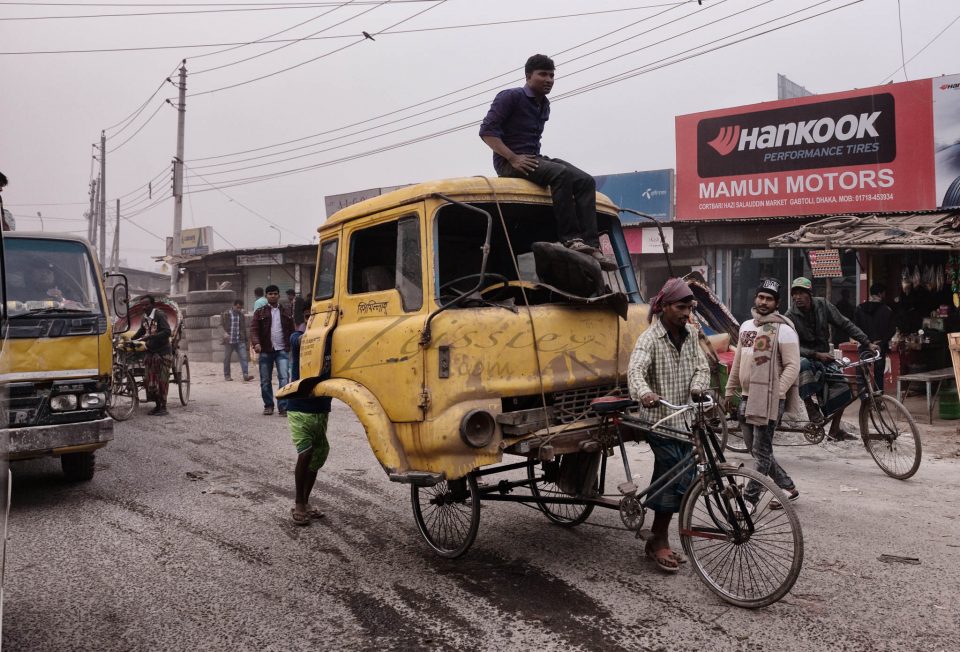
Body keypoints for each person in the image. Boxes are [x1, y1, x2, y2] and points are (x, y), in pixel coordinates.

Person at [479, 53, 616, 271]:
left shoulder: (544, 104)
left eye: (552, 75)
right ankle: (570, 239)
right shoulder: (510, 97)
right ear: (528, 76)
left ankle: (591, 245)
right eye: (543, 74)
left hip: (534, 158)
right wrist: (512, 158)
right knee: (560, 174)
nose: (549, 80)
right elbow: (487, 132)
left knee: (585, 181)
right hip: (511, 162)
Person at [628, 278, 710, 573]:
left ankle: (658, 537)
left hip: (685, 418)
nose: (686, 312)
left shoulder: (691, 334)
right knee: (674, 471)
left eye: (689, 307)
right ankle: (658, 540)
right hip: (660, 421)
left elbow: (702, 366)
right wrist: (645, 393)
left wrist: (699, 387)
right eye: (680, 306)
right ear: (664, 307)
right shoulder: (649, 338)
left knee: (681, 476)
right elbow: (635, 370)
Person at [725, 279, 801, 508]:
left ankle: (749, 500)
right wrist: (730, 389)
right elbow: (739, 360)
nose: (764, 302)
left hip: (769, 400)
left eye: (769, 299)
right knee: (757, 450)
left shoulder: (784, 330)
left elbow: (792, 366)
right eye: (761, 297)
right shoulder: (746, 326)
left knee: (761, 450)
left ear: (777, 303)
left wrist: (776, 392)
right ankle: (788, 487)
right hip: (747, 396)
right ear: (755, 298)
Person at [786, 277, 876, 439]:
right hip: (803, 356)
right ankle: (810, 407)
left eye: (801, 293)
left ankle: (834, 430)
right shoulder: (790, 316)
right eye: (795, 294)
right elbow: (789, 346)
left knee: (842, 387)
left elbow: (844, 323)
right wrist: (815, 354)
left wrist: (866, 342)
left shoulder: (822, 305)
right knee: (804, 365)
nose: (797, 297)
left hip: (824, 356)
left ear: (810, 294)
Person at [286, 304, 332, 526]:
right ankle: (299, 502)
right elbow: (300, 340)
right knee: (306, 452)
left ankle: (305, 500)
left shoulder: (330, 341)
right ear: (300, 322)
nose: (312, 321)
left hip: (321, 407)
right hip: (299, 405)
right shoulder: (298, 338)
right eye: (307, 318)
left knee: (317, 455)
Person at [250, 284, 294, 416]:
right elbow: (254, 330)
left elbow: (291, 330)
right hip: (265, 350)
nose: (273, 296)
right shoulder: (259, 312)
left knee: (284, 379)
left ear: (279, 295)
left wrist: (292, 345)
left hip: (282, 350)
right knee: (265, 380)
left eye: (275, 294)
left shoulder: (286, 311)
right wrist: (256, 343)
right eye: (270, 294)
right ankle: (268, 406)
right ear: (266, 296)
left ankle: (283, 407)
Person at [133, 295, 172, 416]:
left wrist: (150, 337)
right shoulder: (144, 317)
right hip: (150, 352)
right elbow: (142, 331)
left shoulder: (159, 315)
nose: (144, 307)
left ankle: (163, 408)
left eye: (147, 305)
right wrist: (132, 339)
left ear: (152, 305)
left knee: (162, 381)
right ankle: (157, 406)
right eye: (142, 305)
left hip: (163, 353)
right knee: (150, 381)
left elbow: (167, 332)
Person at [854, 282, 896, 392]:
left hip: (864, 345)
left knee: (863, 372)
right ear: (880, 294)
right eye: (884, 293)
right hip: (879, 346)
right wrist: (882, 342)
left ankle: (865, 397)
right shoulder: (887, 310)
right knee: (878, 373)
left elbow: (855, 328)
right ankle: (878, 399)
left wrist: (865, 341)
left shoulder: (859, 309)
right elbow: (892, 330)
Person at [221, 299, 254, 382]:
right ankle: (227, 375)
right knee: (227, 358)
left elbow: (243, 328)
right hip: (229, 341)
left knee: (244, 357)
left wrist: (246, 340)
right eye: (238, 307)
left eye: (241, 308)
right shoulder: (226, 314)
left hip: (240, 340)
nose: (239, 309)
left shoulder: (241, 315)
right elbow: (220, 325)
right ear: (234, 305)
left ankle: (245, 375)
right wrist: (224, 333)